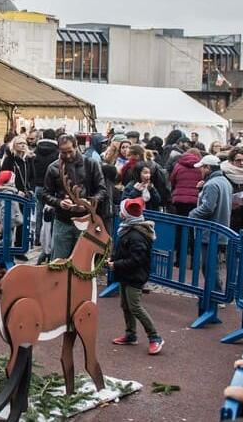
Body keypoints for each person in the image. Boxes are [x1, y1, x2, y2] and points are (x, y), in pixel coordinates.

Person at [108, 197, 164, 355]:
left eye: (122, 211)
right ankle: (130, 334)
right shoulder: (129, 230)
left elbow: (137, 259)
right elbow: (124, 252)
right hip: (127, 274)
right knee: (125, 305)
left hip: (134, 276)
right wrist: (113, 259)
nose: (119, 213)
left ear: (126, 215)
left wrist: (116, 264)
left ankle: (155, 337)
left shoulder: (136, 235)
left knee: (135, 307)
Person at [39, 134, 108, 260]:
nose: (68, 156)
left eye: (70, 151)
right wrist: (59, 202)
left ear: (76, 147)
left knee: (82, 261)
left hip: (86, 220)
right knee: (58, 261)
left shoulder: (90, 164)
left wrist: (90, 201)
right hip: (63, 221)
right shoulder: (53, 167)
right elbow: (45, 194)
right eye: (64, 153)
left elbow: (102, 189)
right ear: (59, 150)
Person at [190, 155, 233, 287]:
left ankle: (214, 294)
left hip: (210, 230)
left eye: (202, 167)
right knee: (212, 264)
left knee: (208, 265)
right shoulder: (224, 181)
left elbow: (208, 208)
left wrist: (191, 214)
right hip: (221, 227)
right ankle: (215, 293)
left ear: (208, 167)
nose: (200, 171)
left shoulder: (212, 184)